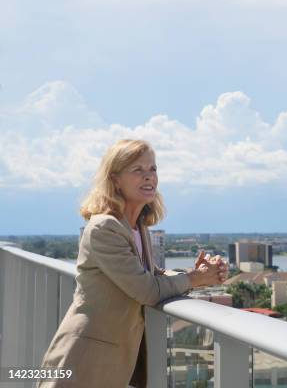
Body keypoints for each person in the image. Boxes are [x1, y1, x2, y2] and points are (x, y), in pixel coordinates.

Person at [38, 139, 228, 387]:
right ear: (115, 179)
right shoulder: (104, 228)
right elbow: (147, 290)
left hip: (113, 359)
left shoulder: (137, 227)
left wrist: (200, 274)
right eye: (138, 170)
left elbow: (151, 273)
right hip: (86, 357)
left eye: (153, 169)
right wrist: (195, 278)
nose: (149, 177)